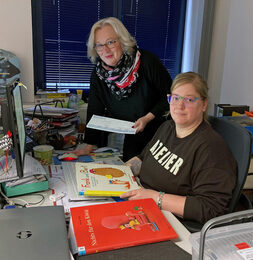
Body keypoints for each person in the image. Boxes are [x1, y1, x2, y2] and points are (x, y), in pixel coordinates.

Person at [120, 72, 237, 224]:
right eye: (175, 98)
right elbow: (143, 158)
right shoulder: (167, 127)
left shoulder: (211, 148)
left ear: (203, 104)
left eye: (189, 99)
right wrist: (120, 172)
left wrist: (155, 198)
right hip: (141, 198)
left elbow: (210, 208)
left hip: (168, 218)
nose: (179, 106)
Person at [72, 17, 172, 161]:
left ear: (123, 40)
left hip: (159, 134)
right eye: (99, 45)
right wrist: (89, 143)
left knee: (153, 178)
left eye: (110, 42)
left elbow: (170, 97)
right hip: (132, 136)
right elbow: (95, 110)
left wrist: (147, 118)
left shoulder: (147, 62)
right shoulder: (99, 74)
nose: (105, 50)